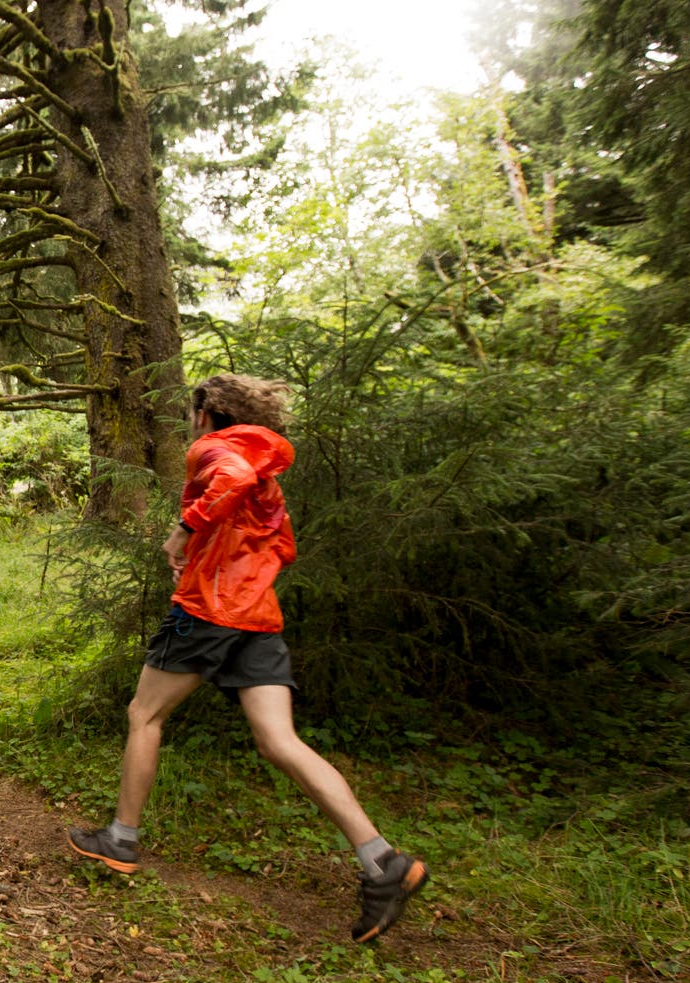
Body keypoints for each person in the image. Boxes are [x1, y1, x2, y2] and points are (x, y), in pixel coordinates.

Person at [67, 375, 429, 944]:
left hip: (209, 610)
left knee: (145, 715)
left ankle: (121, 838)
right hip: (256, 615)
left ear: (206, 412)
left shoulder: (218, 451)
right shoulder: (266, 468)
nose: (190, 424)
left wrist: (182, 534)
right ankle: (382, 862)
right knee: (280, 742)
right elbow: (279, 543)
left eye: (193, 413)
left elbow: (225, 484)